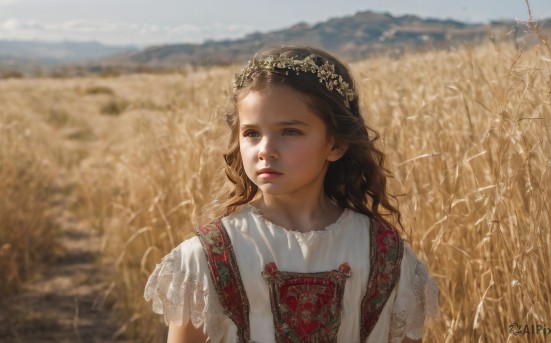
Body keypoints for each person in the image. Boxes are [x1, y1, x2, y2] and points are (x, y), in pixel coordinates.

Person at [144, 46, 438, 343]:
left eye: (290, 132)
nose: (265, 150)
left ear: (335, 145)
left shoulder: (384, 255)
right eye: (252, 133)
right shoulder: (208, 256)